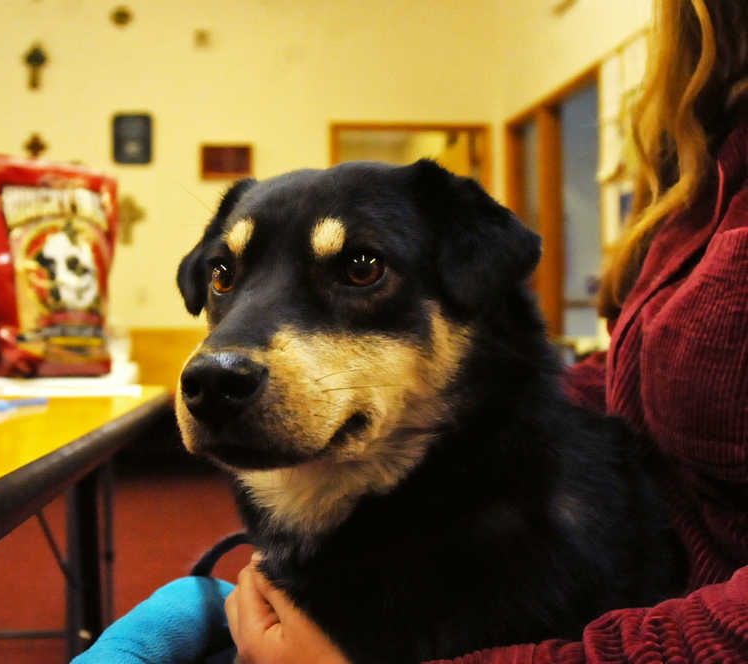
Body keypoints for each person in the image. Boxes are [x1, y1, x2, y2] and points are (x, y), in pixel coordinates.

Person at [76, 0, 748, 661]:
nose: (221, 359)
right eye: (226, 276)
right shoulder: (704, 173)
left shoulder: (537, 574)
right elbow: (643, 370)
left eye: (361, 268)